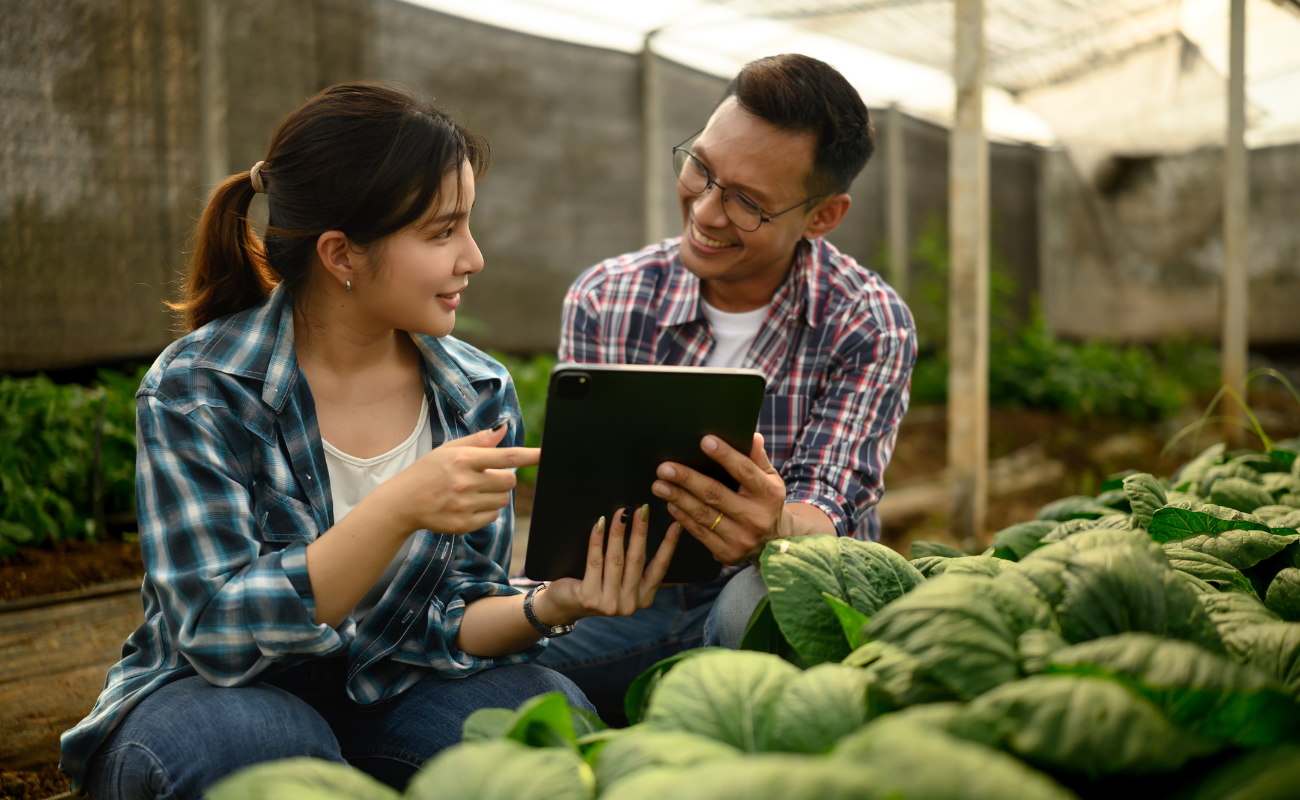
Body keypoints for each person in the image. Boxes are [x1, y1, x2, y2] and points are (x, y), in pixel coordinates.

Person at [59, 82, 680, 800]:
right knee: (269, 751)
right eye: (442, 232)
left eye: (467, 225)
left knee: (541, 730)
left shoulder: (474, 391)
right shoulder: (202, 388)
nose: (473, 257)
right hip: (209, 696)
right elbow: (214, 632)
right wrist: (397, 508)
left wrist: (553, 603)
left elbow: (452, 617)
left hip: (392, 690)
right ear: (341, 255)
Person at [537, 54, 917, 723]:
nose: (707, 211)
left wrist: (776, 526)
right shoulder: (608, 298)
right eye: (702, 170)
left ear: (824, 215)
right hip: (634, 593)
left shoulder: (868, 322)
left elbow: (832, 499)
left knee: (753, 611)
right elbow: (584, 501)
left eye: (748, 201)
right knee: (500, 665)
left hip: (782, 589)